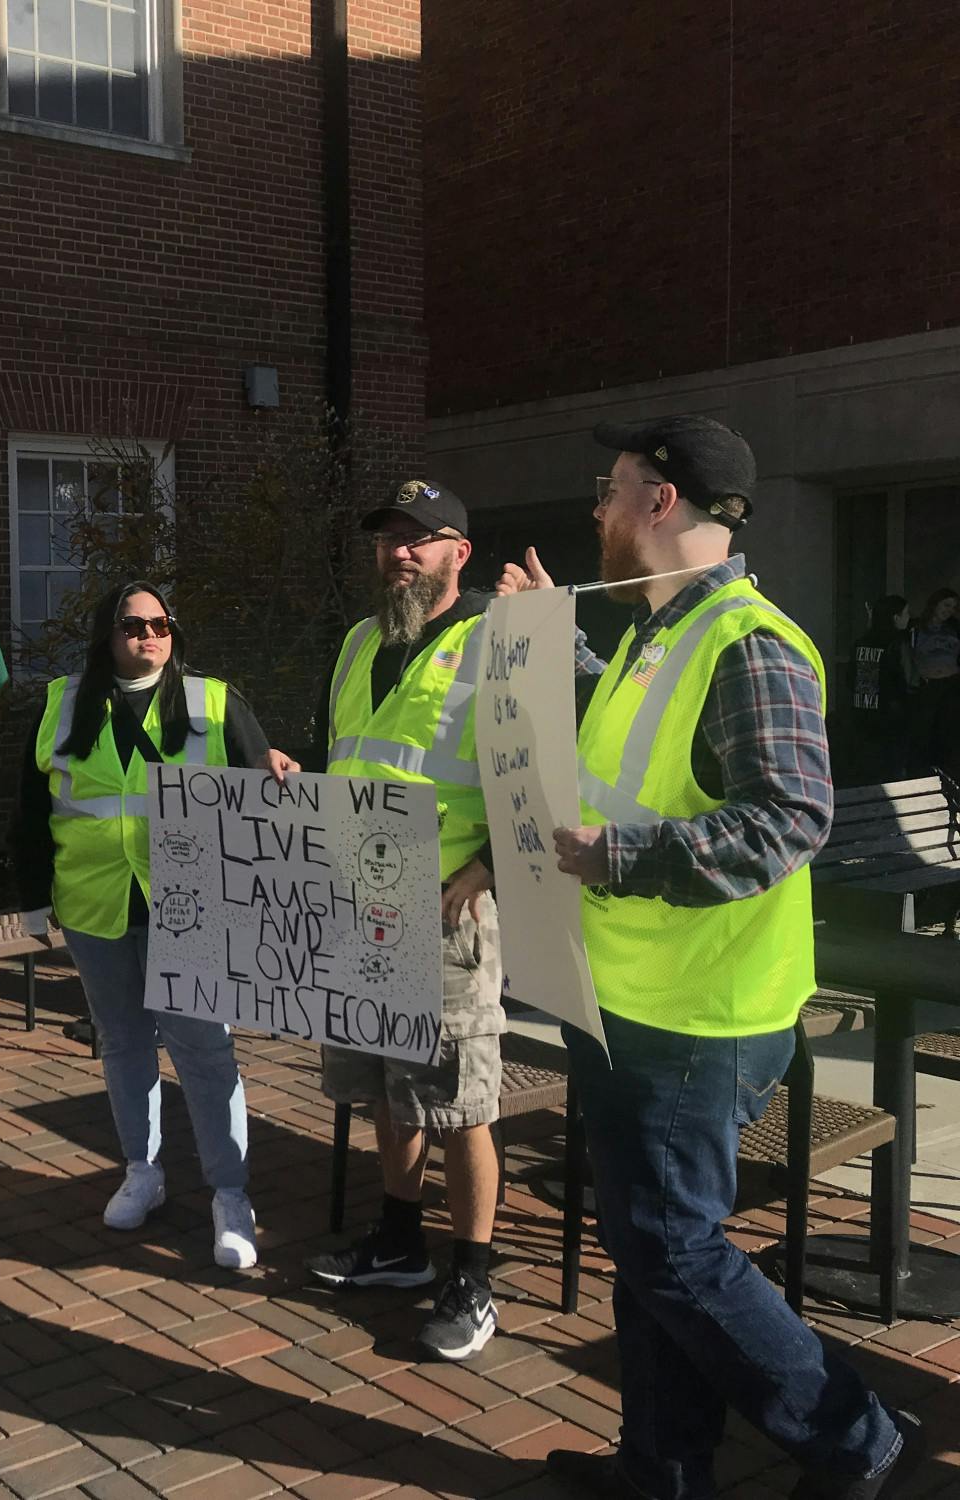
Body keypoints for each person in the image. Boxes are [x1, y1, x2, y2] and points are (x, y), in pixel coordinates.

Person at [499, 416, 924, 1500]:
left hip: (697, 1017)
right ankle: (662, 1471)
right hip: (630, 998)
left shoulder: (746, 643)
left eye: (611, 488)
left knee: (671, 1251)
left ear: (659, 502)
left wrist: (620, 857)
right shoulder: (659, 634)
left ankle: (855, 1438)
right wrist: (548, 636)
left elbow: (788, 817)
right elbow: (633, 742)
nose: (597, 508)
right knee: (647, 1253)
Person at [9, 580, 297, 1270]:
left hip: (192, 905)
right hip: (95, 903)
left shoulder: (213, 701)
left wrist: (276, 763)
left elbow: (264, 778)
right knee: (123, 1042)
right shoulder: (61, 703)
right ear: (107, 635)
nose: (149, 635)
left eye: (161, 624)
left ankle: (230, 1193)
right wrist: (33, 897)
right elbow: (29, 807)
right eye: (133, 624)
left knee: (204, 1050)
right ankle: (142, 1169)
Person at [302, 480, 508, 1364]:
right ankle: (398, 1241)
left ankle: (474, 1278)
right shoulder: (360, 640)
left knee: (461, 1104)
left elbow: (548, 774)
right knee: (388, 1089)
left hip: (446, 907)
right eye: (389, 538)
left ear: (461, 551)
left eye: (420, 538)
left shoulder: (497, 638)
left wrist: (492, 865)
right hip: (360, 900)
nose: (400, 552)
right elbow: (342, 757)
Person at [849, 594, 913, 783]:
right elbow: (909, 679)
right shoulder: (898, 643)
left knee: (866, 766)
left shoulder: (861, 642)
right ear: (895, 617)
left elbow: (850, 677)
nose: (909, 618)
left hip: (862, 712)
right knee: (892, 769)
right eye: (906, 613)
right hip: (893, 714)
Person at [908, 586, 959, 776]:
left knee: (948, 727)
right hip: (927, 684)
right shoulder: (916, 627)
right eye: (946, 605)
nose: (949, 610)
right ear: (935, 604)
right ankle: (922, 769)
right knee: (925, 727)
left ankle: (948, 770)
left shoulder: (954, 628)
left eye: (953, 607)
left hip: (951, 684)